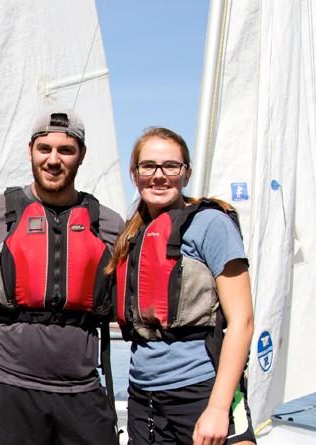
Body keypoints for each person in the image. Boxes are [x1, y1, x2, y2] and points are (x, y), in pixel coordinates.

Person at [0, 109, 123, 445]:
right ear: (30, 151)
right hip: (10, 386)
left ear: (81, 155)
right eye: (45, 149)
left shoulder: (109, 224)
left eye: (66, 150)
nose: (53, 160)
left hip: (81, 387)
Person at [106, 127, 254, 445]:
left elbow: (242, 321)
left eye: (170, 166)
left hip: (201, 390)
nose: (159, 176)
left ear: (185, 173)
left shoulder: (211, 224)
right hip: (143, 395)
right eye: (148, 166)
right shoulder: (133, 235)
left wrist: (218, 408)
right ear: (135, 174)